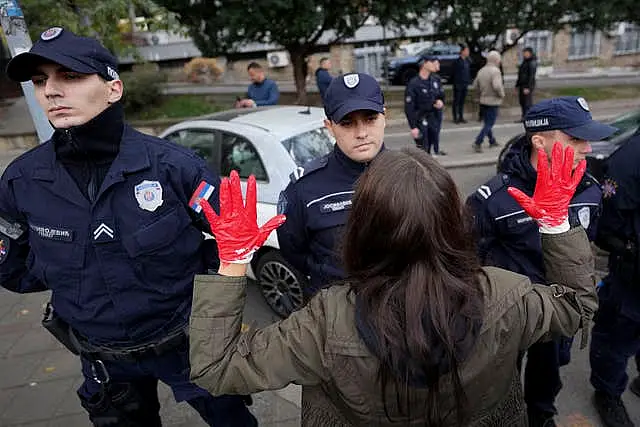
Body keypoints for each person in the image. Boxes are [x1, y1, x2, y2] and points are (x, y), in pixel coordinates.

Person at [187, 141, 598, 426]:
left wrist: (234, 260)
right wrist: (556, 223)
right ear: (455, 224)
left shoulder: (325, 322)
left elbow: (216, 367)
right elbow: (577, 306)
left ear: (362, 230)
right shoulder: (508, 295)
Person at [0, 27, 256, 427]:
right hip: (104, 358)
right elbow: (11, 268)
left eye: (70, 76)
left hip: (188, 345)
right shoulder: (21, 181)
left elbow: (231, 240)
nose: (50, 90)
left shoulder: (174, 167)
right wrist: (66, 272)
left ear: (113, 88)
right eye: (40, 80)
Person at [467, 96, 617, 426]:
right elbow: (467, 260)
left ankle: (541, 414)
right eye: (575, 138)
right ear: (539, 140)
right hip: (510, 313)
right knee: (498, 375)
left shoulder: (588, 189)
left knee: (547, 373)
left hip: (559, 309)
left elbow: (589, 244)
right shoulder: (496, 198)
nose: (588, 149)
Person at [276, 72, 385, 302]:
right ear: (329, 127)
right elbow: (294, 251)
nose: (362, 133)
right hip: (337, 313)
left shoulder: (415, 174)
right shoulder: (304, 188)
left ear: (385, 117)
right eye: (347, 123)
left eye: (370, 118)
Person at [589, 128, 640, 427]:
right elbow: (609, 222)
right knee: (617, 334)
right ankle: (607, 393)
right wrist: (628, 250)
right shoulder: (631, 157)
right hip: (632, 276)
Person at [404, 55, 447, 156]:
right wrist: (413, 127)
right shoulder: (414, 83)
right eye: (431, 62)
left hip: (434, 117)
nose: (434, 64)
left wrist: (440, 102)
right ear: (424, 64)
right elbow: (409, 107)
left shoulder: (435, 79)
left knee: (433, 141)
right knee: (423, 147)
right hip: (420, 118)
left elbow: (441, 95)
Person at [472, 50, 505, 153]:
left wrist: (480, 94)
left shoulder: (482, 70)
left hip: (483, 100)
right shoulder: (495, 71)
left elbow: (475, 85)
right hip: (493, 101)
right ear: (496, 60)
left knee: (487, 122)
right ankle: (478, 142)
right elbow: (497, 86)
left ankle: (492, 140)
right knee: (489, 123)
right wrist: (501, 94)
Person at [515, 47, 538, 122]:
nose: (524, 54)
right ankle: (524, 117)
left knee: (527, 103)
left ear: (530, 53)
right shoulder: (525, 62)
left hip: (527, 86)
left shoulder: (532, 62)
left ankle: (528, 117)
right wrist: (517, 85)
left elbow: (531, 76)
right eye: (524, 53)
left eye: (526, 53)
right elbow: (521, 74)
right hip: (522, 85)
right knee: (522, 102)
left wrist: (528, 87)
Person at [451, 45, 471, 124]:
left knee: (462, 102)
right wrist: (456, 83)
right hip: (458, 84)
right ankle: (455, 117)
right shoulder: (457, 62)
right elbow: (454, 73)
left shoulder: (467, 61)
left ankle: (461, 116)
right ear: (462, 52)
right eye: (466, 51)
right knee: (456, 101)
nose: (468, 52)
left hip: (465, 84)